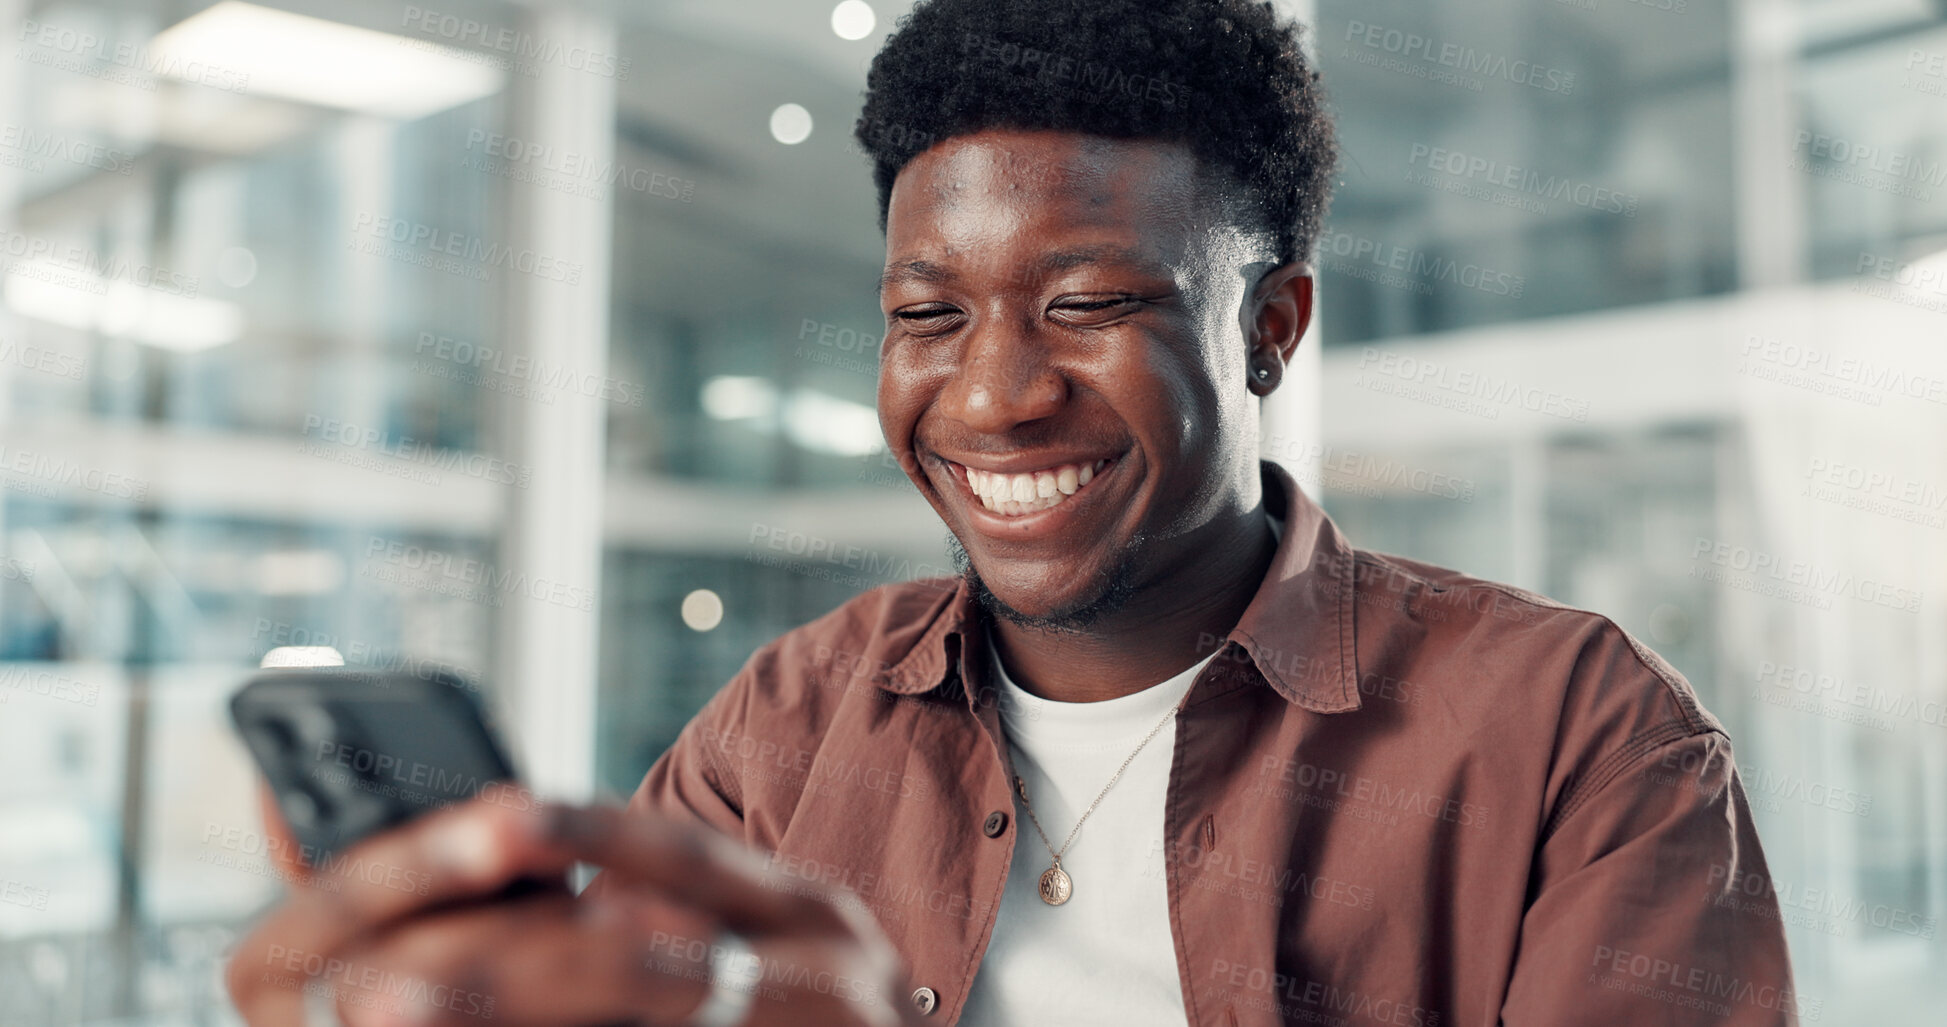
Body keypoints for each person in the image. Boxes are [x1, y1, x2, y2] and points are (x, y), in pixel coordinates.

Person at [227, 1, 1803, 1024]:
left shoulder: (1577, 737)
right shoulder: (783, 730)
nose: (991, 398)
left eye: (1091, 303)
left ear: (1271, 327)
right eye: (927, 317)